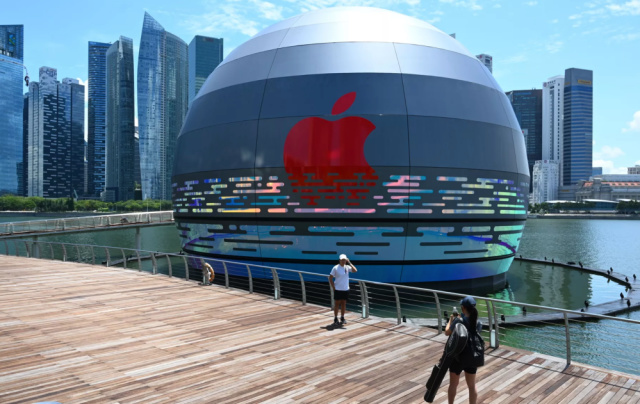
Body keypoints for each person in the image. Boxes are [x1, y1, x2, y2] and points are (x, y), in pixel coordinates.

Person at [444, 296, 482, 404]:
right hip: (471, 356)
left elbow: (447, 332)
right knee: (472, 386)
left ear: (463, 308)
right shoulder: (478, 323)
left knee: (453, 384)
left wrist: (451, 320)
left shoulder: (458, 320)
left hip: (457, 356)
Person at [329, 254, 357, 326]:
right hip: (338, 288)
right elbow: (330, 277)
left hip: (345, 288)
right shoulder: (335, 268)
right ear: (339, 260)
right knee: (337, 304)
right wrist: (333, 287)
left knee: (344, 303)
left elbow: (355, 270)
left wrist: (349, 262)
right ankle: (335, 318)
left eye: (344, 260)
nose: (343, 261)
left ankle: (342, 317)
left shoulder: (347, 267)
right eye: (342, 260)